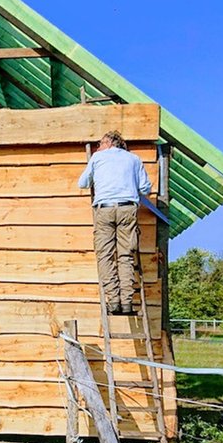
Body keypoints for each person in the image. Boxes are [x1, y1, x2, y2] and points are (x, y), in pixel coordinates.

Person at [77, 130, 152, 315]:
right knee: (125, 256)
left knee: (105, 255)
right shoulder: (134, 159)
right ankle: (126, 303)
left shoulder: (97, 157)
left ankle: (114, 302)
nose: (98, 147)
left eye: (100, 143)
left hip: (104, 209)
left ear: (110, 142)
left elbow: (83, 183)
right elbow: (145, 188)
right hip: (128, 209)